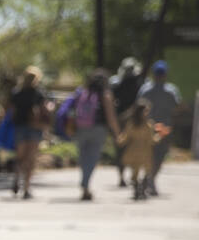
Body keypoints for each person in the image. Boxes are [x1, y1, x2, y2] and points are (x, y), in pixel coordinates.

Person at [70, 68, 120, 201]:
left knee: (83, 157)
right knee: (92, 158)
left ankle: (84, 183)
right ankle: (85, 183)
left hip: (81, 128)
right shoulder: (105, 94)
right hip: (98, 129)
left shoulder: (83, 92)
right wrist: (116, 133)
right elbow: (111, 116)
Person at [138, 60, 181, 196]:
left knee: (149, 156)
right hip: (164, 129)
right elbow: (177, 108)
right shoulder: (171, 91)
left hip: (148, 127)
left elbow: (137, 108)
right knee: (159, 156)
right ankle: (150, 180)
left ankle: (148, 180)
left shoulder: (145, 89)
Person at [8, 66, 49, 199]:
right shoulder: (39, 93)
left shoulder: (16, 93)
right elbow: (44, 110)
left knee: (20, 157)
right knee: (30, 159)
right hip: (34, 127)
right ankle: (26, 188)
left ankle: (16, 179)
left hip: (19, 127)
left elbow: (11, 112)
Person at [116, 99, 166, 201]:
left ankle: (138, 190)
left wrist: (119, 140)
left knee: (137, 173)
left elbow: (124, 138)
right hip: (144, 153)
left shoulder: (132, 124)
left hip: (133, 152)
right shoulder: (148, 125)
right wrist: (160, 135)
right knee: (145, 172)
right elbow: (152, 140)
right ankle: (140, 190)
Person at [109, 56, 143, 188]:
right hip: (133, 120)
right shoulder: (138, 83)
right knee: (134, 148)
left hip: (120, 121)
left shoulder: (116, 83)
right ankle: (132, 177)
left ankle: (123, 177)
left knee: (120, 149)